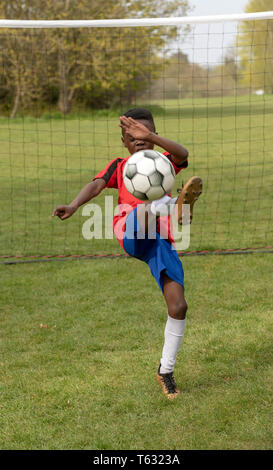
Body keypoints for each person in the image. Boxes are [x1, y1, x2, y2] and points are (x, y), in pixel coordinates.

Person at [52, 108, 202, 399]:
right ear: (124, 141)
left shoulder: (165, 163)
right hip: (130, 230)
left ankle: (166, 371)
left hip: (159, 240)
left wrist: (153, 137)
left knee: (178, 306)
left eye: (144, 135)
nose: (139, 140)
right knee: (146, 210)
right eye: (132, 136)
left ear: (153, 136)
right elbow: (96, 185)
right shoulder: (120, 166)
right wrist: (72, 205)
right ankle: (175, 205)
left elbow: (183, 154)